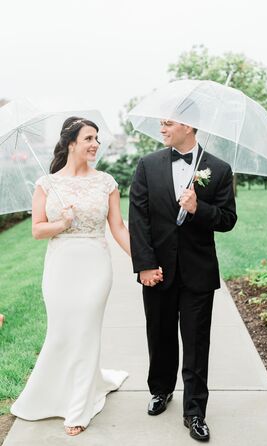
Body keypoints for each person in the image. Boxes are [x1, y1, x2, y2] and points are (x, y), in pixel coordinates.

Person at [11, 117, 130, 436]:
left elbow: (118, 228)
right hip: (60, 266)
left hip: (95, 264)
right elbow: (37, 230)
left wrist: (143, 259)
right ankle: (52, 393)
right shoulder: (46, 184)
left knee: (86, 331)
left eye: (97, 139)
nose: (95, 144)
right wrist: (62, 224)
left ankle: (78, 408)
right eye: (89, 138)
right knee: (62, 332)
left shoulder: (107, 182)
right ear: (71, 143)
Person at [129, 119, 237, 442]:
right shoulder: (147, 165)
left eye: (168, 123)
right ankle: (160, 390)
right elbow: (138, 217)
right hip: (158, 271)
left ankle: (195, 412)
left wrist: (198, 208)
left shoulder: (218, 169)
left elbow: (228, 219)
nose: (162, 128)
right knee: (159, 335)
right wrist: (145, 265)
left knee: (195, 343)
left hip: (198, 272)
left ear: (189, 126)